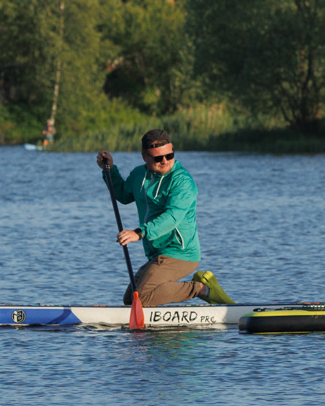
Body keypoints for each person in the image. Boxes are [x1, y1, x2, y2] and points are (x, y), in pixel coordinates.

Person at [96, 129, 235, 307]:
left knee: (142, 297)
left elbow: (172, 217)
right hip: (157, 254)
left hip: (181, 253)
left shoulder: (182, 181)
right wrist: (109, 170)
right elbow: (123, 195)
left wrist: (139, 233)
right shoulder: (139, 175)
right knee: (131, 300)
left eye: (169, 156)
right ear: (144, 156)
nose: (165, 161)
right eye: (158, 158)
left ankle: (200, 288)